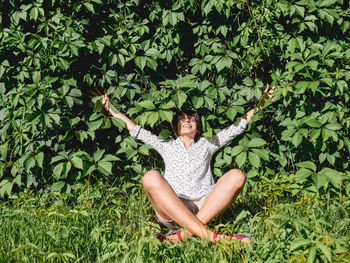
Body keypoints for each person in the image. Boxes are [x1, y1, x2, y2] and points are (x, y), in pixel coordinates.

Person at [102, 84, 276, 243]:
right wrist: (112, 110)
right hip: (175, 206)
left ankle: (183, 235)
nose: (186, 121)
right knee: (150, 177)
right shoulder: (166, 144)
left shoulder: (208, 143)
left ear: (197, 127)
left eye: (191, 119)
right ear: (176, 128)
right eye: (182, 119)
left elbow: (237, 127)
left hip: (206, 206)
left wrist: (262, 103)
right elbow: (136, 131)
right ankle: (215, 237)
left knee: (237, 176)